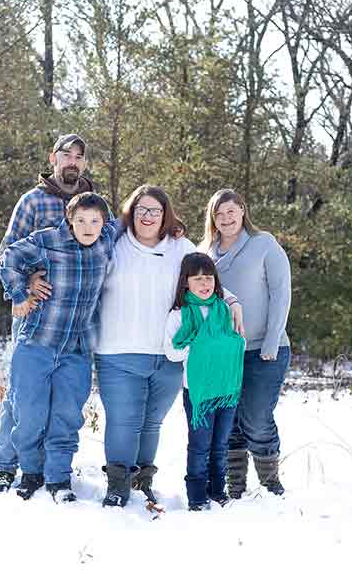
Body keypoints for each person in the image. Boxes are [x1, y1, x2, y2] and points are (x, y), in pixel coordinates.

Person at [91, 185, 243, 508]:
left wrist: (231, 301)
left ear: (165, 215)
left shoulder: (180, 247)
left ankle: (143, 481)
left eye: (155, 211)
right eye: (141, 210)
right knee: (123, 421)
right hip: (119, 352)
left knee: (151, 422)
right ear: (131, 213)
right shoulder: (112, 244)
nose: (148, 217)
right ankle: (118, 487)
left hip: (168, 357)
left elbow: (206, 278)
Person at [0, 133, 94, 495]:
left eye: (80, 157)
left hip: (73, 326)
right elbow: (7, 251)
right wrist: (28, 281)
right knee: (22, 398)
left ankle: (49, 467)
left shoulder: (92, 206)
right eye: (67, 155)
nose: (73, 162)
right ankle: (6, 465)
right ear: (54, 158)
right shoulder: (33, 202)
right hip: (34, 318)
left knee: (62, 401)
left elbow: (119, 237)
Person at [0, 192, 119, 503]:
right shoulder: (47, 241)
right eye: (80, 220)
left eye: (95, 221)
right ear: (69, 220)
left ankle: (58, 478)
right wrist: (21, 293)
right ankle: (31, 472)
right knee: (28, 413)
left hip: (75, 348)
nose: (88, 227)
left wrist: (171, 227)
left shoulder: (106, 239)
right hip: (37, 343)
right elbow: (9, 256)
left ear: (104, 223)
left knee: (66, 416)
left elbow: (140, 222)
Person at [201, 188, 292, 498]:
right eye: (219, 213)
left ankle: (270, 485)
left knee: (256, 416)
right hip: (223, 352)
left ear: (242, 211)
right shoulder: (206, 252)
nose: (225, 218)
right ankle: (235, 487)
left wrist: (271, 341)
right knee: (230, 421)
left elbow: (281, 294)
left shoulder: (263, 244)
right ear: (212, 218)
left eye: (231, 211)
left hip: (263, 349)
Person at [164, 253, 245, 511]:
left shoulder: (223, 309)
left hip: (226, 388)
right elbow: (172, 351)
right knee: (200, 445)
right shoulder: (180, 314)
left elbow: (236, 342)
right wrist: (200, 347)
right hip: (198, 390)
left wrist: (218, 346)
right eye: (197, 278)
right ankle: (197, 496)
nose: (204, 283)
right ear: (186, 282)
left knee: (220, 444)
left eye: (208, 278)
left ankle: (217, 490)